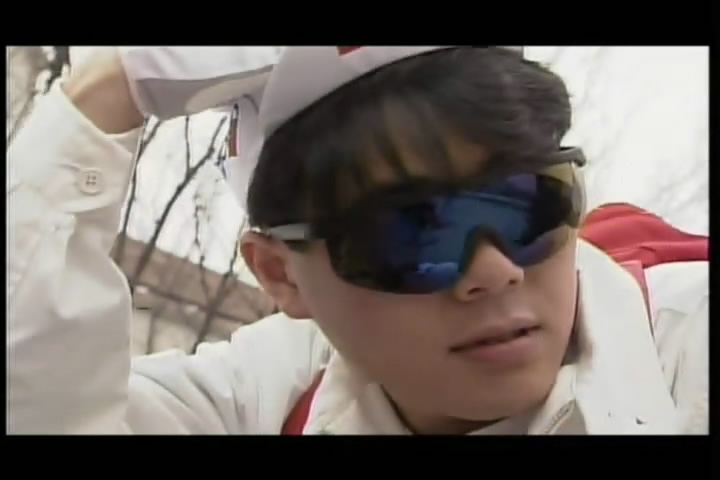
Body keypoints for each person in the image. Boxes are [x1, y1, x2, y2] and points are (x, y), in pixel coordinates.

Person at [7, 46, 708, 435]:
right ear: (280, 274)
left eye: (529, 203)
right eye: (412, 232)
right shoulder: (263, 399)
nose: (494, 270)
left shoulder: (689, 346)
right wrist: (102, 91)